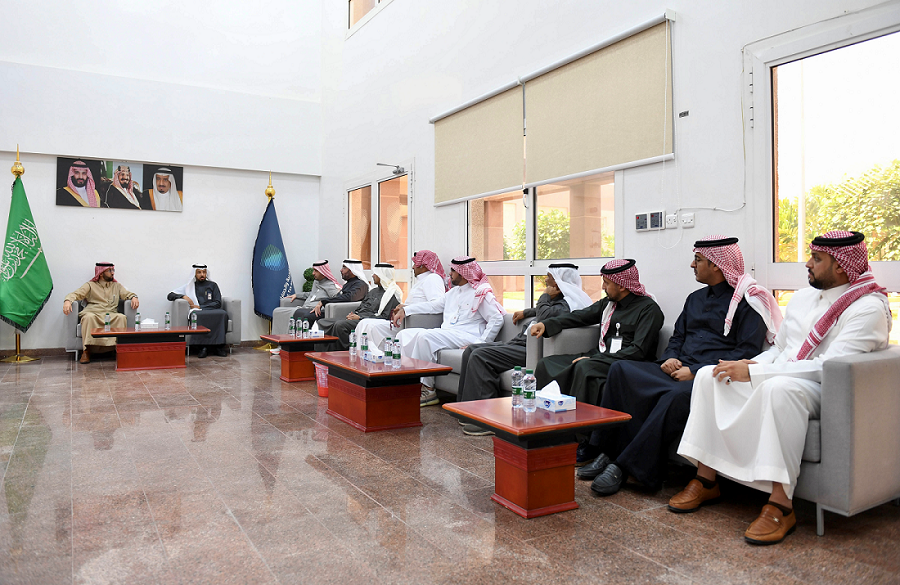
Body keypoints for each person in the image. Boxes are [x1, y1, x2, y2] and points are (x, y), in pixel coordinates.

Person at [670, 231, 891, 546]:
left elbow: (828, 367)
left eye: (816, 259)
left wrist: (757, 374)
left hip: (823, 388)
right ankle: (706, 480)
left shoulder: (867, 308)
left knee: (780, 389)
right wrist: (752, 364)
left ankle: (780, 506)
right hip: (783, 373)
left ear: (841, 266)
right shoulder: (802, 298)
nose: (807, 264)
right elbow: (781, 348)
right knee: (709, 375)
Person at [579, 236, 777, 496]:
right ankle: (605, 450)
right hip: (678, 367)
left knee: (674, 396)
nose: (692, 265)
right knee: (621, 370)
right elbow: (678, 337)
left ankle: (625, 467)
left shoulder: (748, 303)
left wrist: (695, 371)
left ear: (716, 265)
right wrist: (669, 358)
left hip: (711, 376)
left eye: (698, 260)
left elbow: (745, 351)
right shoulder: (694, 299)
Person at [457, 263, 593, 436]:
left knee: (480, 355)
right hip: (520, 344)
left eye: (549, 278)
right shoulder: (561, 301)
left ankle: (486, 419)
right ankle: (466, 410)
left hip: (531, 350)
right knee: (472, 350)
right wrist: (527, 312)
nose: (546, 281)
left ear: (558, 283)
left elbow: (545, 316)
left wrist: (544, 296)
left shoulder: (569, 304)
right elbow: (543, 311)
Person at [530, 259, 664, 405]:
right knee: (546, 363)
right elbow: (581, 316)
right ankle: (542, 410)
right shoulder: (608, 304)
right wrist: (547, 324)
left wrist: (597, 359)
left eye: (606, 283)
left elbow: (638, 351)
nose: (602, 287)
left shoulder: (648, 310)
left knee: (584, 366)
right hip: (601, 356)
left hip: (628, 362)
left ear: (621, 286)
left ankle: (578, 417)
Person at [393, 256, 506, 407]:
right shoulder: (453, 293)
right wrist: (406, 310)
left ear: (463, 273)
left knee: (425, 337)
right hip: (449, 332)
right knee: (403, 334)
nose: (450, 274)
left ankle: (428, 390)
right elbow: (433, 306)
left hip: (467, 336)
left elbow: (496, 319)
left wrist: (481, 343)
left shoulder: (480, 293)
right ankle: (408, 383)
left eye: (453, 270)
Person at [354, 250, 447, 356]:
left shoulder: (433, 279)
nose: (413, 267)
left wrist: (407, 309)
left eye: (415, 264)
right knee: (365, 323)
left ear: (423, 266)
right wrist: (403, 308)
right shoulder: (422, 280)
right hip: (404, 322)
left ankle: (377, 358)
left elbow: (437, 305)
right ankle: (362, 357)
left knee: (371, 327)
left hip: (415, 324)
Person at [63, 262, 139, 363]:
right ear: (101, 273)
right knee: (88, 317)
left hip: (110, 314)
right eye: (109, 271)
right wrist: (68, 301)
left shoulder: (116, 286)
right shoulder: (90, 285)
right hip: (94, 313)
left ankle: (118, 350)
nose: (113, 273)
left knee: (121, 318)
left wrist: (134, 297)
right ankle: (86, 351)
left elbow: (127, 294)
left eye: (113, 270)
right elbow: (76, 294)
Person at [317, 263, 402, 349]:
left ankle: (342, 352)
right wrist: (353, 314)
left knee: (340, 325)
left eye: (375, 274)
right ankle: (322, 352)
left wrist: (360, 317)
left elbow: (385, 317)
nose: (372, 276)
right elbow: (362, 306)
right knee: (323, 321)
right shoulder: (374, 291)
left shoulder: (391, 294)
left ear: (382, 275)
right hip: (358, 317)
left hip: (367, 320)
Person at [167, 264, 228, 358]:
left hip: (212, 309)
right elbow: (170, 296)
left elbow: (218, 302)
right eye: (199, 272)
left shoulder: (213, 285)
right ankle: (202, 348)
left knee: (223, 313)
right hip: (198, 311)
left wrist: (200, 307)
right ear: (194, 274)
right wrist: (184, 296)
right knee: (197, 315)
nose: (202, 274)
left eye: (204, 272)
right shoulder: (190, 286)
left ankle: (219, 347)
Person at [292, 259, 367, 326]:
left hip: (345, 313)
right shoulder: (348, 284)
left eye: (344, 267)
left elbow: (350, 297)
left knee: (308, 316)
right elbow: (340, 297)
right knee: (300, 313)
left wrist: (324, 301)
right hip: (335, 310)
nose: (341, 270)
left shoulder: (360, 285)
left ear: (352, 270)